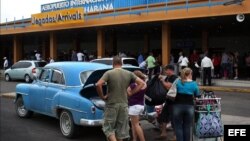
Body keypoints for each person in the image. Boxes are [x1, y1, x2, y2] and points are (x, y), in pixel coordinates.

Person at [96, 56, 145, 141]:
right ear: (122, 63)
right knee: (121, 131)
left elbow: (98, 84)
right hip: (124, 105)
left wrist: (102, 97)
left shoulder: (109, 73)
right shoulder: (129, 73)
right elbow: (141, 83)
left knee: (108, 128)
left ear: (113, 64)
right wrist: (131, 93)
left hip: (112, 104)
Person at [173, 68, 200, 141]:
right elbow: (197, 95)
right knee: (187, 126)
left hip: (177, 106)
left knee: (178, 126)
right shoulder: (194, 83)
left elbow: (172, 92)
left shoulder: (178, 82)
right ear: (190, 74)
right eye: (191, 74)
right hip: (189, 107)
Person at [157, 65, 178, 140]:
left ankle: (175, 136)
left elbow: (168, 86)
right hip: (168, 100)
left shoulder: (174, 78)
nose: (165, 72)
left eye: (166, 70)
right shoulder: (167, 77)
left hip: (173, 101)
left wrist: (162, 80)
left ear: (170, 70)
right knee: (163, 116)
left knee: (173, 119)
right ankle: (163, 133)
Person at [127, 70, 147, 141]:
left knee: (136, 125)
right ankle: (134, 139)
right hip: (141, 105)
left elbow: (128, 93)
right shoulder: (144, 84)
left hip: (134, 106)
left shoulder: (133, 85)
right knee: (133, 124)